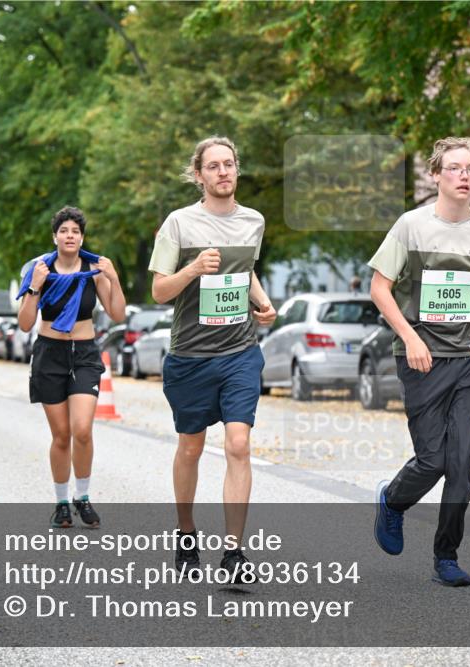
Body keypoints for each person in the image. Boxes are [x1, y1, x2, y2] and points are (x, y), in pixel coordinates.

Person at [369, 136, 470, 587]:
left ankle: (445, 557)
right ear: (436, 175)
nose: (464, 175)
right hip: (422, 358)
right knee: (433, 461)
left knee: (462, 464)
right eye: (454, 168)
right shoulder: (411, 226)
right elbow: (379, 287)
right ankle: (393, 501)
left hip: (468, 359)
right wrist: (409, 337)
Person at [149, 136, 276, 582]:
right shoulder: (179, 224)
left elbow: (247, 271)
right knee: (191, 447)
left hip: (240, 352)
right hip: (190, 357)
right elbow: (160, 290)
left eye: (229, 164)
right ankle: (186, 534)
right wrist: (192, 269)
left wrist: (263, 301)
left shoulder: (253, 221)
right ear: (199, 174)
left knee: (239, 445)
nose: (223, 172)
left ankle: (234, 553)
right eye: (214, 166)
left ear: (237, 170)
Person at [17, 206, 126, 529]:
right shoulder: (40, 270)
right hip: (49, 353)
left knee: (82, 429)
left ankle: (83, 495)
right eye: (64, 231)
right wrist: (35, 286)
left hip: (85, 354)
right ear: (55, 237)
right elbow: (24, 324)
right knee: (61, 435)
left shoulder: (94, 270)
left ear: (82, 237)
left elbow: (117, 314)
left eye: (75, 231)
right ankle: (62, 502)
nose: (70, 236)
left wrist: (114, 278)